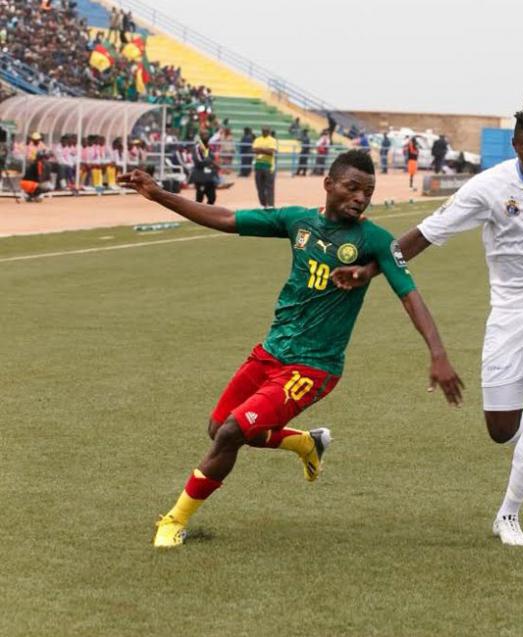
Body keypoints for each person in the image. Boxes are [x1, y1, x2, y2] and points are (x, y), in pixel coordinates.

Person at [330, 97, 523, 547]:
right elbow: (426, 235)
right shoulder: (487, 188)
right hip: (508, 314)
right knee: (499, 430)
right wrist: (370, 271)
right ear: (515, 146)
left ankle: (508, 514)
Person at [116, 150, 463, 548]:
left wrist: (438, 354)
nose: (361, 198)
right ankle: (304, 442)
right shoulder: (298, 221)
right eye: (352, 188)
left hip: (314, 367)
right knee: (218, 428)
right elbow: (227, 220)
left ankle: (174, 520)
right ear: (329, 185)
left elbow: (411, 297)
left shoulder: (375, 241)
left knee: (230, 433)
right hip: (271, 351)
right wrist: (159, 194)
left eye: (367, 191)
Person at [191, 130, 219, 204]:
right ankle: (197, 214)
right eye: (204, 135)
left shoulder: (208, 147)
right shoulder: (197, 147)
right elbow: (198, 161)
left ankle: (208, 213)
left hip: (209, 177)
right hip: (200, 176)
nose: (207, 136)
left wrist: (214, 165)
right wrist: (211, 162)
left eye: (207, 135)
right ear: (200, 137)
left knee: (212, 198)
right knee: (199, 199)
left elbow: (211, 158)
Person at [252, 126, 276, 207]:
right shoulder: (257, 140)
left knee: (269, 187)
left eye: (266, 131)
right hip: (258, 166)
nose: (264, 132)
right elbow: (254, 150)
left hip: (269, 167)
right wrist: (265, 150)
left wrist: (260, 149)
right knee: (259, 187)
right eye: (263, 131)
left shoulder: (272, 140)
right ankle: (263, 204)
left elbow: (271, 152)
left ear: (269, 131)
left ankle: (271, 205)